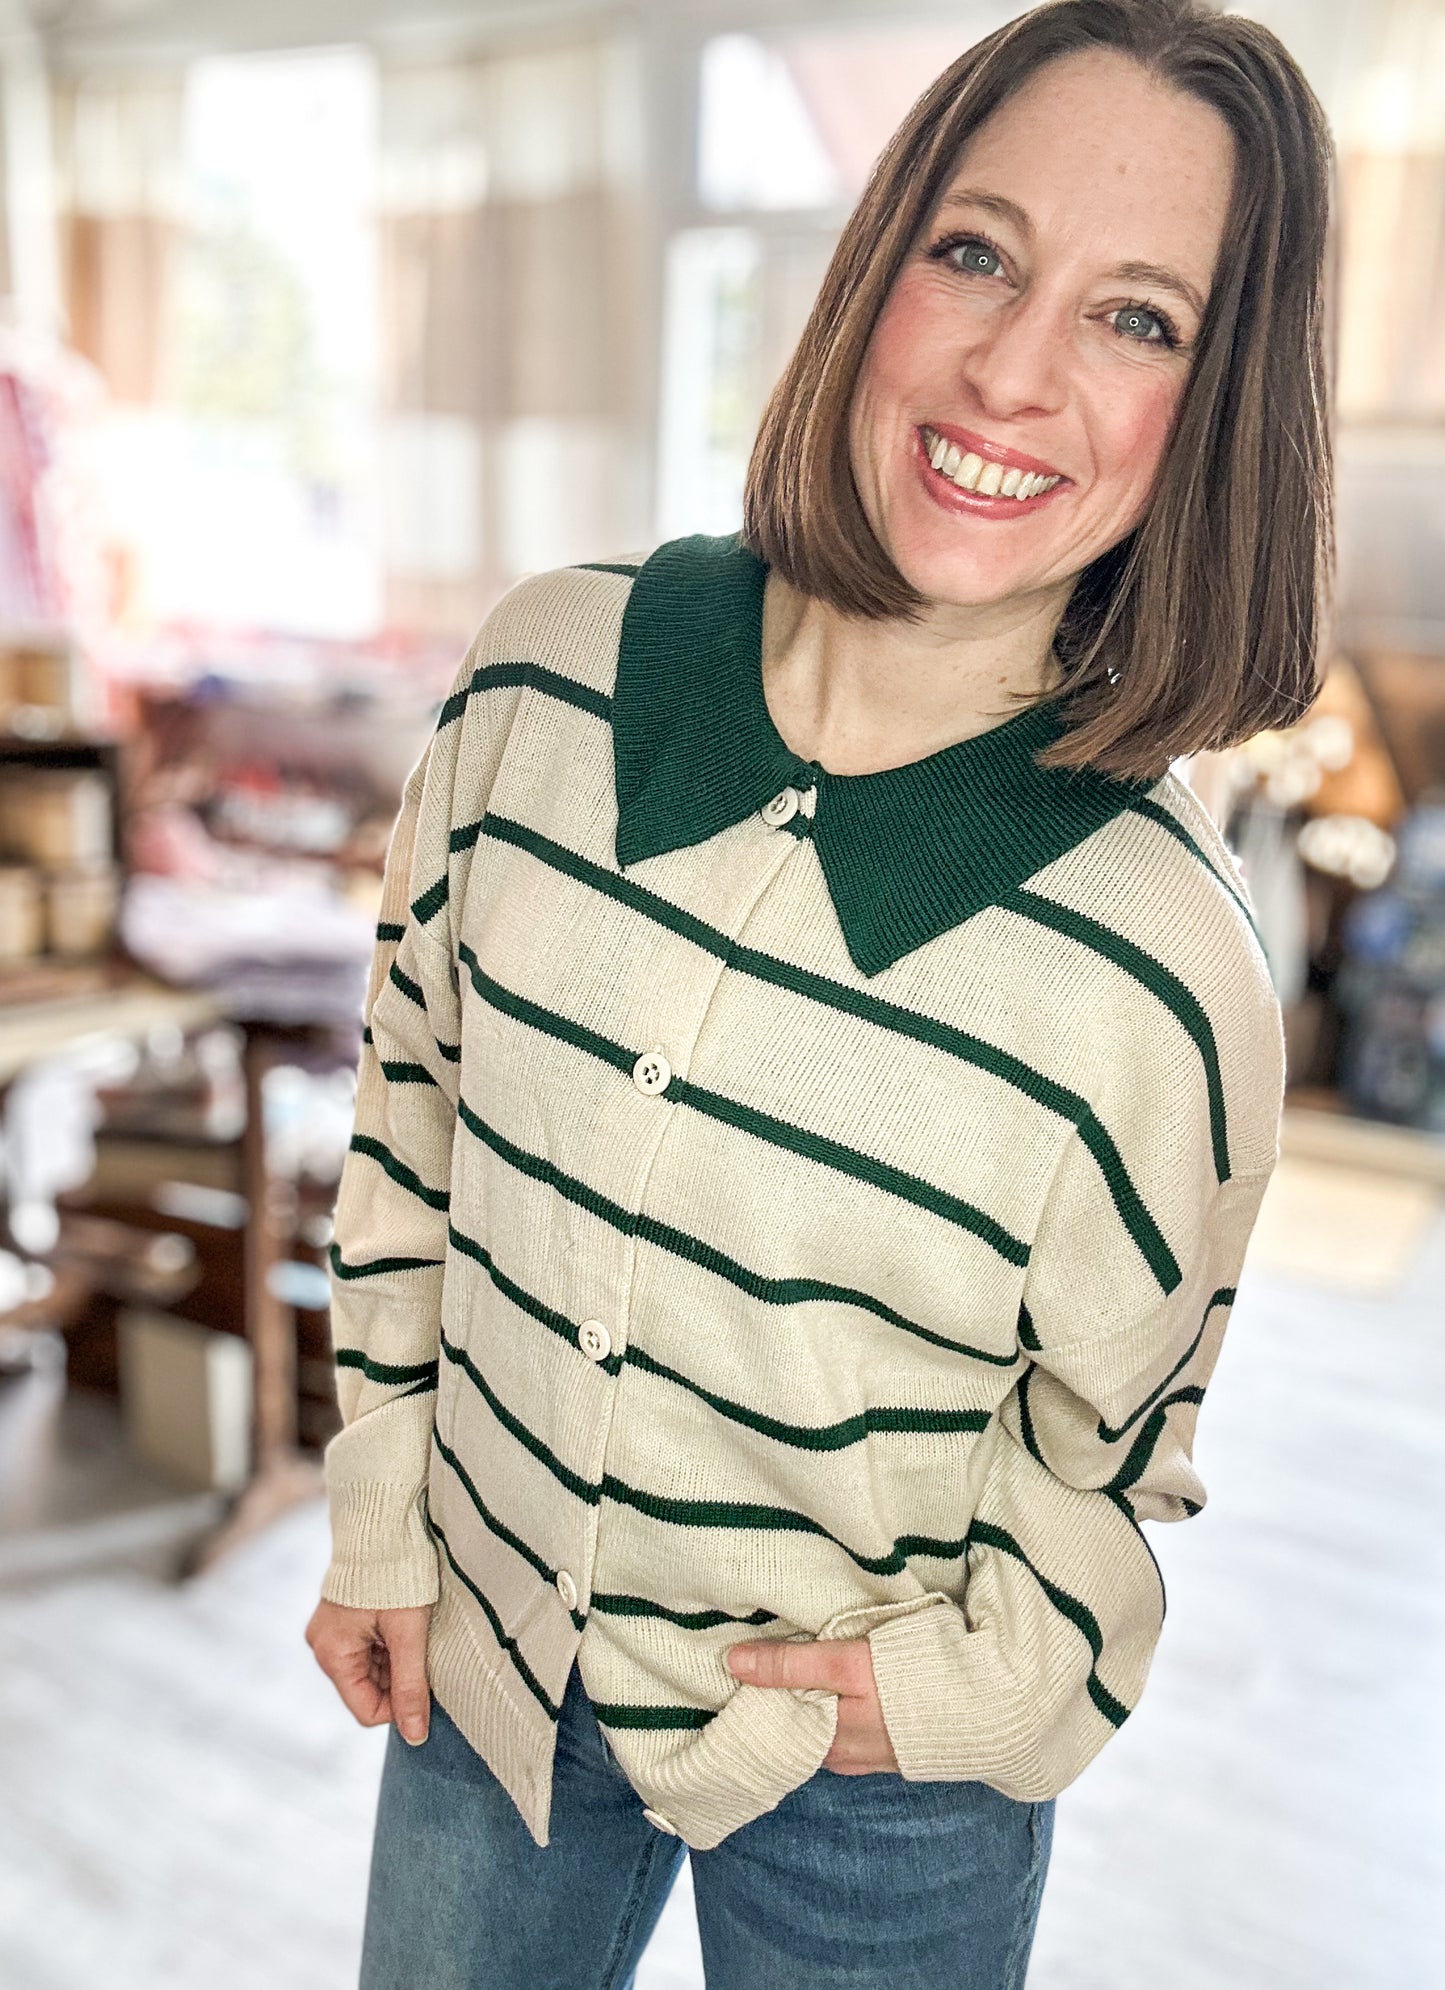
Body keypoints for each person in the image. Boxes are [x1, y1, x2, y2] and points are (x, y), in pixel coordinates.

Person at [305, 0, 1333, 1983]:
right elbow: (410, 1105)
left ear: (1215, 407)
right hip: (486, 1660)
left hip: (878, 1776)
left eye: (1142, 320)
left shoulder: (1167, 955)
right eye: (976, 251)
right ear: (878, 263)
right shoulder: (542, 680)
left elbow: (1119, 1437)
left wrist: (975, 1692)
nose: (1014, 370)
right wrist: (380, 1501)